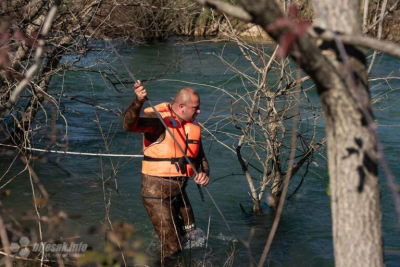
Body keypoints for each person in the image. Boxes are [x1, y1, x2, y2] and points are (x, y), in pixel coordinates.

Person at [123, 80, 210, 264]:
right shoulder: (159, 122)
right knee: (173, 247)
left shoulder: (192, 126)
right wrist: (138, 101)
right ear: (181, 106)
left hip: (179, 191)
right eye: (196, 107)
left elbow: (200, 158)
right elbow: (129, 125)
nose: (199, 111)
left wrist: (203, 173)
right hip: (156, 194)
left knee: (193, 238)